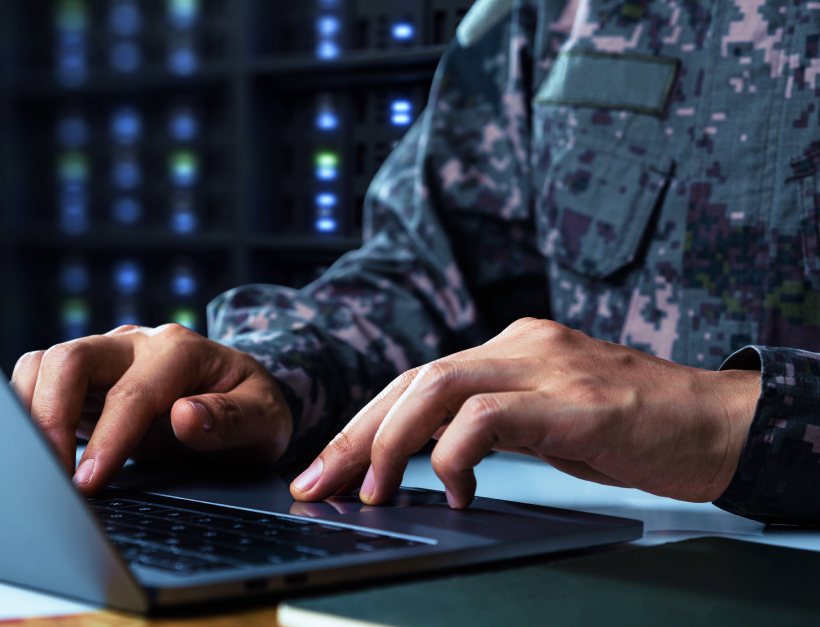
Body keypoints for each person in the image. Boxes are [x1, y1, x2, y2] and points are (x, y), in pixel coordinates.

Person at [11, 0, 820, 524]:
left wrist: (734, 421)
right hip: (613, 570)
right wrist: (275, 378)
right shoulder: (559, 14)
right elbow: (427, 275)